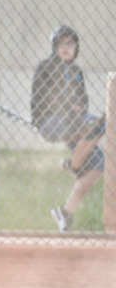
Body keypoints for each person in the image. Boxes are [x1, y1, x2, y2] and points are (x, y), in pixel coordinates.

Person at [31, 25, 105, 232]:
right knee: (98, 124)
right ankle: (73, 166)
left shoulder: (76, 71)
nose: (65, 47)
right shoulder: (45, 67)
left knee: (98, 166)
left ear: (76, 47)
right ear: (54, 46)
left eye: (70, 43)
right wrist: (67, 108)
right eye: (61, 43)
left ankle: (65, 212)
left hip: (74, 123)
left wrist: (76, 110)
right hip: (52, 121)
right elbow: (39, 99)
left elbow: (82, 102)